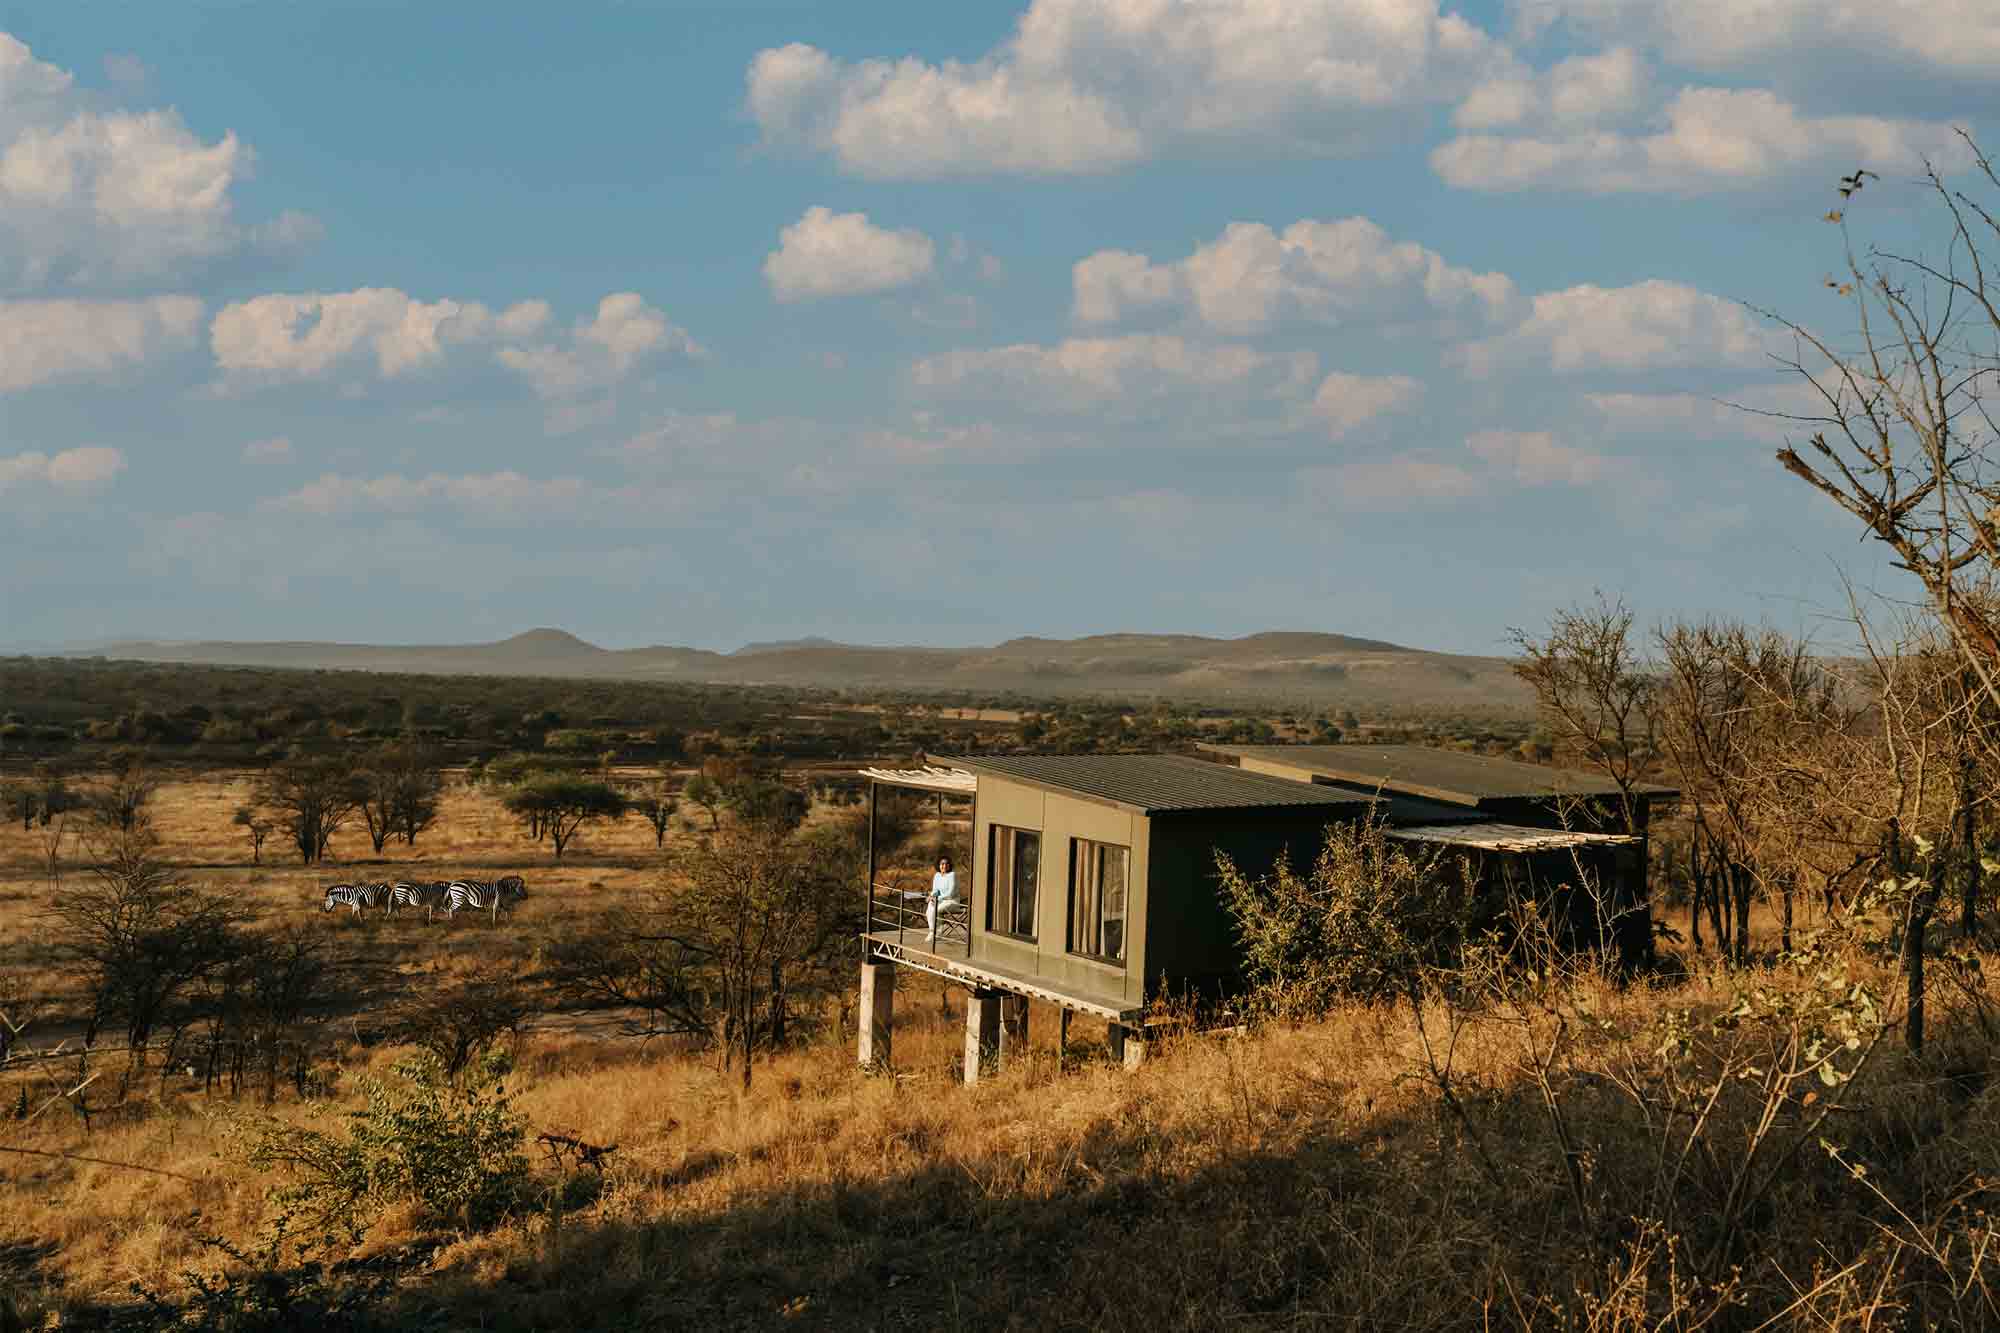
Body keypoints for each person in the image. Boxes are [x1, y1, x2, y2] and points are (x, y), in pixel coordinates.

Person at [927, 855, 958, 940]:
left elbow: (950, 894)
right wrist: (931, 896)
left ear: (949, 865)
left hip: (952, 901)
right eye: (942, 864)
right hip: (941, 900)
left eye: (947, 864)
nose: (944, 866)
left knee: (935, 909)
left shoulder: (952, 875)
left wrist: (937, 898)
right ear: (939, 865)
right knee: (930, 907)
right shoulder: (937, 875)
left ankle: (936, 932)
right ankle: (932, 931)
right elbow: (936, 890)